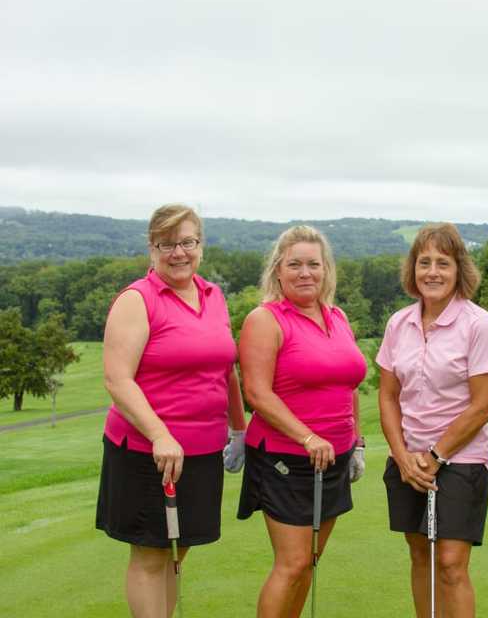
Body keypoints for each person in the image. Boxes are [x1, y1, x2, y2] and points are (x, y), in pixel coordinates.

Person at [96, 204, 246, 618]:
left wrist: (239, 429)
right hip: (147, 451)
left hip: (201, 451)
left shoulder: (213, 296)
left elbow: (225, 368)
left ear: (201, 245)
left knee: (179, 552)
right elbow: (117, 380)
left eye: (187, 242)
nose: (178, 252)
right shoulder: (137, 299)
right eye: (167, 244)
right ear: (152, 248)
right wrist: (160, 434)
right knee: (151, 555)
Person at [237, 225, 367, 618]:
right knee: (292, 563)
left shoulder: (338, 316)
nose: (305, 272)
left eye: (313, 264)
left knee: (309, 561)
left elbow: (349, 385)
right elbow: (257, 394)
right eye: (295, 264)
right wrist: (307, 437)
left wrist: (356, 442)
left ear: (326, 270)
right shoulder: (265, 319)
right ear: (278, 270)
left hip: (334, 459)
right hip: (285, 459)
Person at [377, 223, 488, 618]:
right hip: (408, 459)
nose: (432, 271)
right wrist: (402, 457)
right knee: (420, 557)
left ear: (459, 269)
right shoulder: (399, 323)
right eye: (424, 262)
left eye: (442, 263)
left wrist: (435, 455)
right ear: (413, 269)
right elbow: (387, 396)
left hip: (461, 460)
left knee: (449, 563)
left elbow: (483, 405)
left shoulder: (479, 324)